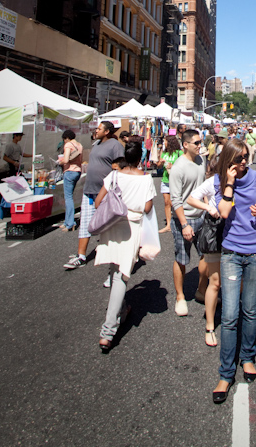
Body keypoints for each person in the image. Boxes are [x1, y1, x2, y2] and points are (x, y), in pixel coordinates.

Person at [212, 139, 256, 404]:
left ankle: (247, 357)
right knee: (229, 315)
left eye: (246, 157)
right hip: (232, 253)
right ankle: (225, 373)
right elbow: (223, 212)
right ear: (229, 160)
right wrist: (229, 183)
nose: (244, 162)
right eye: (238, 159)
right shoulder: (219, 181)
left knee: (250, 310)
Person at [94, 138, 156, 351]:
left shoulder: (113, 176)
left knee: (115, 268)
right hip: (132, 226)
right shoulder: (146, 179)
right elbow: (147, 208)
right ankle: (108, 330)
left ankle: (121, 309)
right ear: (140, 159)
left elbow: (97, 201)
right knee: (122, 274)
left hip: (111, 224)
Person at [63, 121, 124, 270]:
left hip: (105, 192)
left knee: (109, 224)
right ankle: (81, 256)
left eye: (99, 128)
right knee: (85, 223)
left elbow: (120, 166)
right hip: (89, 190)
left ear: (107, 131)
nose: (96, 130)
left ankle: (116, 256)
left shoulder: (115, 146)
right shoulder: (96, 144)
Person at [169, 129, 208, 315]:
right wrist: (184, 224)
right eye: (197, 143)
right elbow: (175, 199)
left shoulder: (201, 161)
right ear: (185, 145)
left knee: (207, 254)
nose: (200, 146)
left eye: (201, 142)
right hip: (183, 219)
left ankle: (201, 289)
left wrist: (208, 209)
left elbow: (204, 187)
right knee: (181, 258)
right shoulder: (178, 167)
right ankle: (180, 296)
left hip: (202, 216)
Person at [187, 159, 222, 347]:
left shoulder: (246, 179)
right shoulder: (214, 181)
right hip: (216, 233)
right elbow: (191, 198)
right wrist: (209, 208)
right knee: (215, 281)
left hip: (237, 235)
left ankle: (232, 317)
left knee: (237, 282)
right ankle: (210, 325)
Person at [57, 129, 83, 232]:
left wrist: (60, 162)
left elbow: (66, 160)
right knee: (69, 197)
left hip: (69, 171)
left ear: (66, 138)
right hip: (77, 171)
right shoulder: (79, 145)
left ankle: (70, 223)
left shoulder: (68, 145)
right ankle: (67, 222)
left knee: (68, 198)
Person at [157, 135, 183, 233]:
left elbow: (183, 166)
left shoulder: (179, 153)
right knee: (167, 202)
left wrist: (173, 166)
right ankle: (168, 225)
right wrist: (160, 162)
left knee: (174, 202)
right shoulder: (164, 153)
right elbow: (159, 167)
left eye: (166, 141)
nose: (164, 143)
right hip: (165, 179)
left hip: (175, 180)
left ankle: (178, 221)